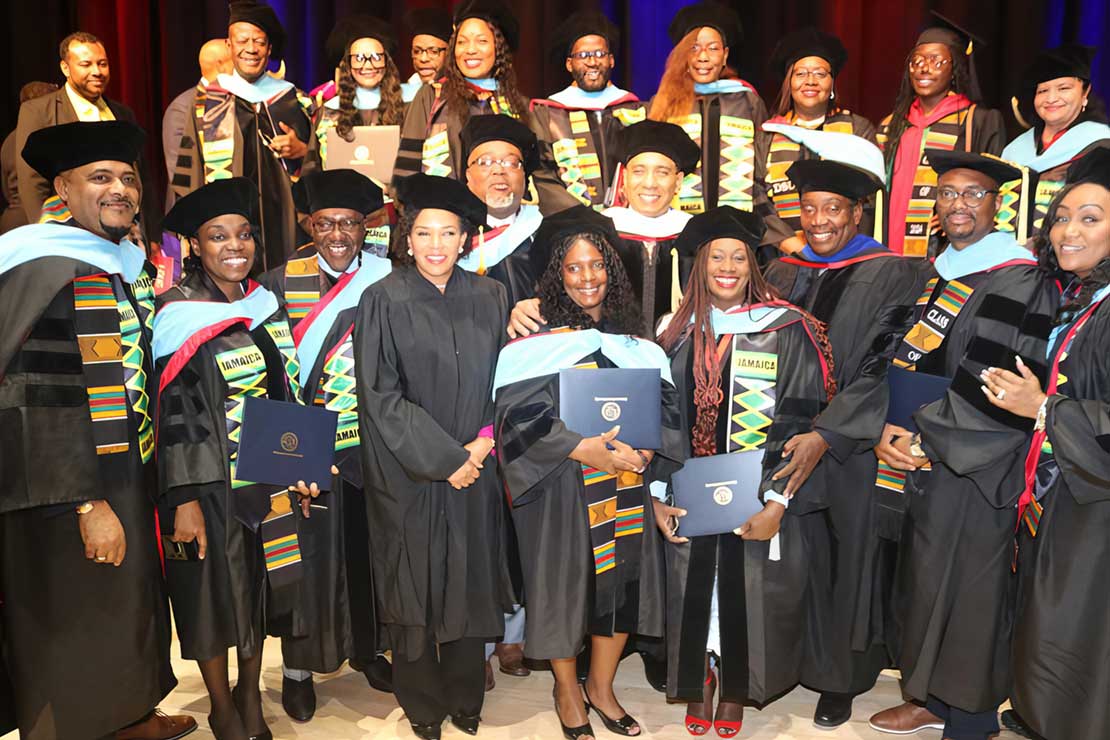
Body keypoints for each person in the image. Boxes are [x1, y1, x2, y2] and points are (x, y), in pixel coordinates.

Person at [0, 120, 192, 740]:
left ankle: (126, 717)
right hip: (67, 483)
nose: (120, 190)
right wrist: (86, 502)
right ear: (62, 186)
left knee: (119, 603)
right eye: (100, 178)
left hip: (120, 467)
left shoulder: (112, 262)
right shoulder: (48, 266)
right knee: (76, 613)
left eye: (129, 179)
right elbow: (39, 398)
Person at [867, 151, 1057, 740]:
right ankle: (929, 696)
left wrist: (925, 435)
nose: (958, 204)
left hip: (981, 455)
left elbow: (998, 376)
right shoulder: (937, 272)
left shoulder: (1019, 278)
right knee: (927, 577)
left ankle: (970, 715)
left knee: (971, 586)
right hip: (929, 449)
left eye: (973, 194)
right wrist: (885, 427)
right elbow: (902, 356)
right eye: (947, 193)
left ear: (998, 205)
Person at [494, 204, 681, 740]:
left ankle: (601, 687)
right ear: (556, 275)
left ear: (613, 271)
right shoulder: (532, 346)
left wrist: (645, 452)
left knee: (622, 585)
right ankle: (566, 689)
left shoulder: (638, 346)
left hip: (626, 482)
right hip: (559, 486)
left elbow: (666, 409)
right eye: (573, 268)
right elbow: (514, 418)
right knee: (562, 588)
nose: (587, 278)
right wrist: (581, 449)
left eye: (597, 265)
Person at [761, 131, 924, 729]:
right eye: (809, 209)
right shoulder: (779, 268)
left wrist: (827, 432)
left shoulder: (896, 272)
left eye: (834, 209)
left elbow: (888, 361)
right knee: (791, 556)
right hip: (781, 436)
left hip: (849, 444)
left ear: (858, 212)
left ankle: (839, 680)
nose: (821, 220)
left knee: (845, 557)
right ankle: (784, 660)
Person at [654, 206, 837, 737]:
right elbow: (662, 419)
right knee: (695, 585)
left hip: (753, 491)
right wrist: (660, 492)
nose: (727, 267)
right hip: (689, 489)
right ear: (700, 267)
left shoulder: (785, 327)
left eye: (738, 257)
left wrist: (777, 500)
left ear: (753, 267)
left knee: (745, 585)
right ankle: (704, 674)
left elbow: (800, 418)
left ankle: (733, 683)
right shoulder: (674, 331)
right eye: (717, 257)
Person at [155, 177, 323, 740]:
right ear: (196, 247)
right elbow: (168, 418)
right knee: (205, 597)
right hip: (204, 486)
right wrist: (181, 500)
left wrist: (301, 464)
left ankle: (251, 694)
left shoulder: (265, 306)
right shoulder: (175, 315)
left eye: (245, 235)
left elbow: (288, 391)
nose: (235, 245)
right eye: (218, 235)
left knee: (258, 587)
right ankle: (222, 706)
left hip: (265, 474)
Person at [354, 173, 514, 740]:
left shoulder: (492, 295)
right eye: (425, 233)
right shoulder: (381, 299)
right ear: (407, 239)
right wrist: (448, 458)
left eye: (449, 233)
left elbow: (509, 383)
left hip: (479, 462)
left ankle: (467, 695)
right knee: (413, 582)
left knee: (470, 575)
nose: (437, 244)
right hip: (408, 472)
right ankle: (422, 703)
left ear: (467, 238)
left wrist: (483, 445)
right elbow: (379, 394)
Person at [257, 169, 394, 721]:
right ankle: (296, 670)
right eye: (325, 223)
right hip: (301, 440)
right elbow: (263, 373)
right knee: (305, 558)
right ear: (308, 225)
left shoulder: (388, 279)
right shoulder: (273, 283)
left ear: (366, 227)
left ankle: (366, 648)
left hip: (369, 445)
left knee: (368, 551)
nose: (338, 234)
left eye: (350, 224)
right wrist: (286, 456)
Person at [999, 149, 1110, 740]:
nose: (1069, 231)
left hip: (1096, 501)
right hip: (1059, 486)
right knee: (1049, 616)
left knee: (1080, 624)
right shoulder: (1081, 300)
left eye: (1090, 218)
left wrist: (1044, 407)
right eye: (1063, 216)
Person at [170, 0, 311, 272]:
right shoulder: (207, 102)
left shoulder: (294, 100)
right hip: (227, 230)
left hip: (287, 229)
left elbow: (319, 168)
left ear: (269, 48)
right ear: (229, 45)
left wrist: (303, 151)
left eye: (259, 41)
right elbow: (189, 173)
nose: (251, 48)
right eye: (242, 40)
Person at [648, 2, 792, 249]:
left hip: (738, 231)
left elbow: (759, 172)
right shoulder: (663, 103)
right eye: (693, 48)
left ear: (725, 55)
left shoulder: (747, 100)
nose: (703, 57)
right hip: (677, 231)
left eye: (712, 49)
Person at [877, 14, 1006, 258]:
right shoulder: (890, 125)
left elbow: (992, 186)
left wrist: (958, 210)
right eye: (916, 61)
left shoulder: (976, 121)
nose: (924, 68)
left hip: (943, 248)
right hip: (886, 249)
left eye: (937, 61)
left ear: (955, 68)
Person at [15, 32, 159, 232]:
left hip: (125, 232)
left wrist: (150, 233)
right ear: (65, 67)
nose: (97, 71)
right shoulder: (38, 111)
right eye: (86, 64)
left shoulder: (123, 113)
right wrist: (46, 234)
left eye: (102, 63)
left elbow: (142, 175)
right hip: (69, 233)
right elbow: (32, 181)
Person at [763, 28, 876, 252]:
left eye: (820, 74)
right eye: (801, 73)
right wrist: (793, 246)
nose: (810, 81)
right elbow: (758, 201)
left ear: (832, 84)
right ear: (789, 83)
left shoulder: (858, 130)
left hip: (847, 256)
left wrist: (840, 248)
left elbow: (869, 200)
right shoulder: (768, 135)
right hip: (782, 258)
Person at [395, 0, 530, 181]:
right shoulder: (430, 97)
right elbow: (406, 171)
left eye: (481, 41)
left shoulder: (518, 105)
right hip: (443, 204)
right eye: (462, 42)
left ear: (498, 48)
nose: (470, 50)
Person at [530, 10, 643, 210]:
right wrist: (580, 217)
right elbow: (543, 175)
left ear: (611, 60)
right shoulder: (548, 113)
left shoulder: (634, 109)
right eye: (583, 55)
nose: (592, 62)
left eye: (600, 54)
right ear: (569, 64)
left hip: (630, 222)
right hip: (572, 224)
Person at [1001, 44, 1110, 232]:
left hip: (1069, 249)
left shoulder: (1100, 145)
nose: (1051, 98)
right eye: (1043, 91)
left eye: (1063, 88)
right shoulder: (1014, 149)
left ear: (1085, 92)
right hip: (1007, 253)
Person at [607, 120, 699, 333]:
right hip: (614, 357)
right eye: (639, 171)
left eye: (662, 172)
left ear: (678, 182)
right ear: (624, 179)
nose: (650, 183)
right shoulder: (600, 232)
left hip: (678, 356)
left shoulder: (695, 236)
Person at [460, 114, 545, 306]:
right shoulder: (451, 238)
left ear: (524, 176)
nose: (498, 171)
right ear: (468, 176)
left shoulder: (547, 234)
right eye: (485, 162)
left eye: (511, 163)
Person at [305, 15, 405, 172]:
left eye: (376, 57)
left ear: (387, 63)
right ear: (348, 66)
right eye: (358, 58)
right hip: (341, 194)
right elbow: (313, 167)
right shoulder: (329, 112)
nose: (368, 65)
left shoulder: (406, 108)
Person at [163, 40, 233, 208]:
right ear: (221, 65)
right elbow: (183, 174)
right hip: (198, 212)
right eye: (235, 61)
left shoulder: (239, 101)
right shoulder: (183, 109)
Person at [1, 82, 58, 234]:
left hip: (12, 221)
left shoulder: (9, 139)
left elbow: (6, 186)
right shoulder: (47, 137)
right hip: (37, 220)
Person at [402, 8, 452, 102]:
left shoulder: (462, 94)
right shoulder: (406, 93)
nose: (423, 59)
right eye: (417, 51)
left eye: (433, 51)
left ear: (449, 53)